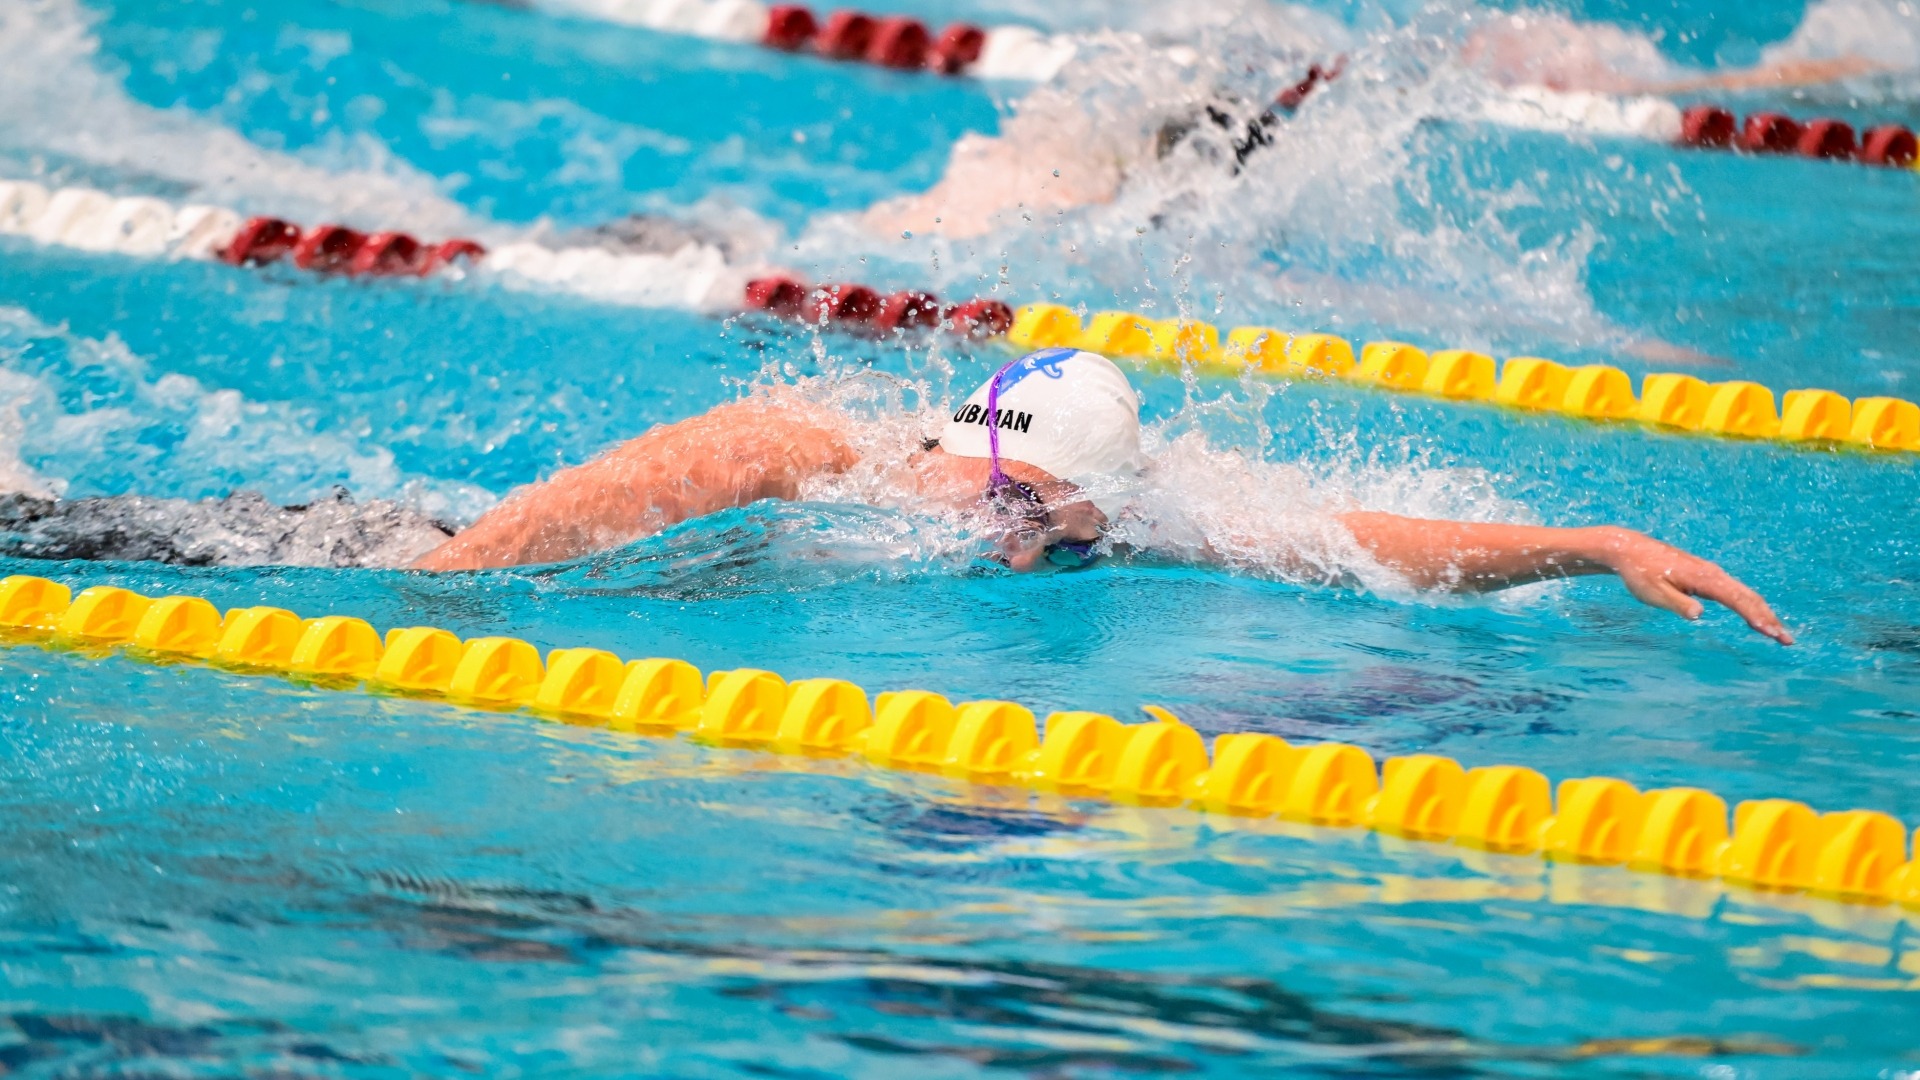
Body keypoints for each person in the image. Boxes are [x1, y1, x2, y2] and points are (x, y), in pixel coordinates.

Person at [412, 348, 1793, 645]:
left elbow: (1354, 546)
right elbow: (507, 547)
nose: (1033, 547)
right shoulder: (787, 453)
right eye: (1018, 515)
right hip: (403, 555)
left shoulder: (1107, 512)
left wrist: (1591, 544)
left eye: (1063, 527)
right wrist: (422, 599)